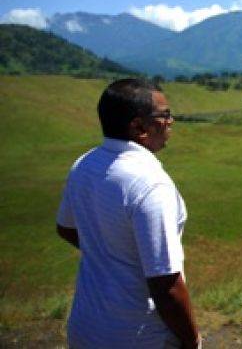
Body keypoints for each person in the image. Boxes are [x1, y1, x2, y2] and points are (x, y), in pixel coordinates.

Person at [56, 78, 200, 348]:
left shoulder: (84, 164)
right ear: (139, 127)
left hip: (85, 327)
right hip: (139, 335)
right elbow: (166, 285)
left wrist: (111, 253)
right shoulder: (150, 184)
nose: (171, 122)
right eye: (165, 115)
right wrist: (193, 341)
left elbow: (65, 227)